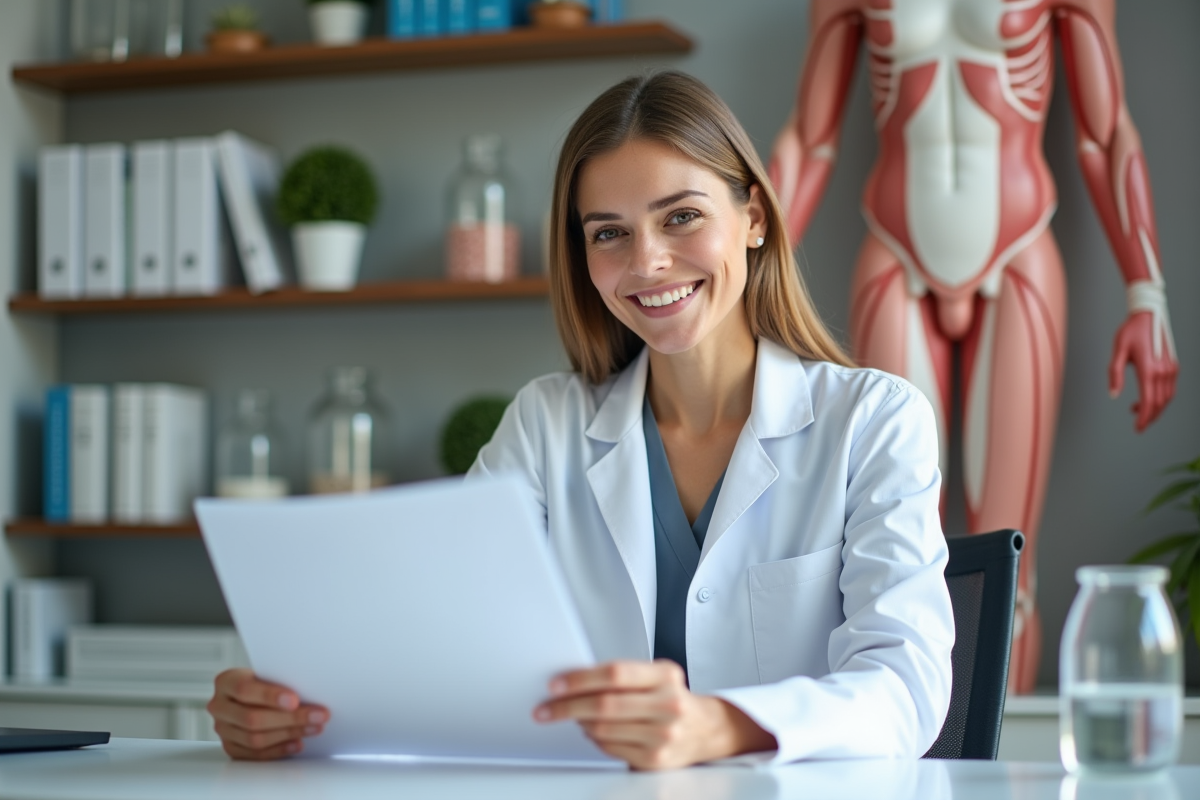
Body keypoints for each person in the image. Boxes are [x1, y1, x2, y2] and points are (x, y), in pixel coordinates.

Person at [207, 71, 955, 769]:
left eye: (682, 217)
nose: (648, 262)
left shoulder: (874, 422)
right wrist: (295, 714)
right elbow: (435, 639)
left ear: (753, 217)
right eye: (609, 233)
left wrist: (720, 724)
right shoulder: (544, 424)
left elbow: (906, 686)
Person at [768, 0, 1179, 693]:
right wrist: (744, 289)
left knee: (1010, 564)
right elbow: (809, 140)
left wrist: (1148, 292)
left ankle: (998, 778)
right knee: (891, 558)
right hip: (894, 255)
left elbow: (1105, 134)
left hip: (1017, 251)